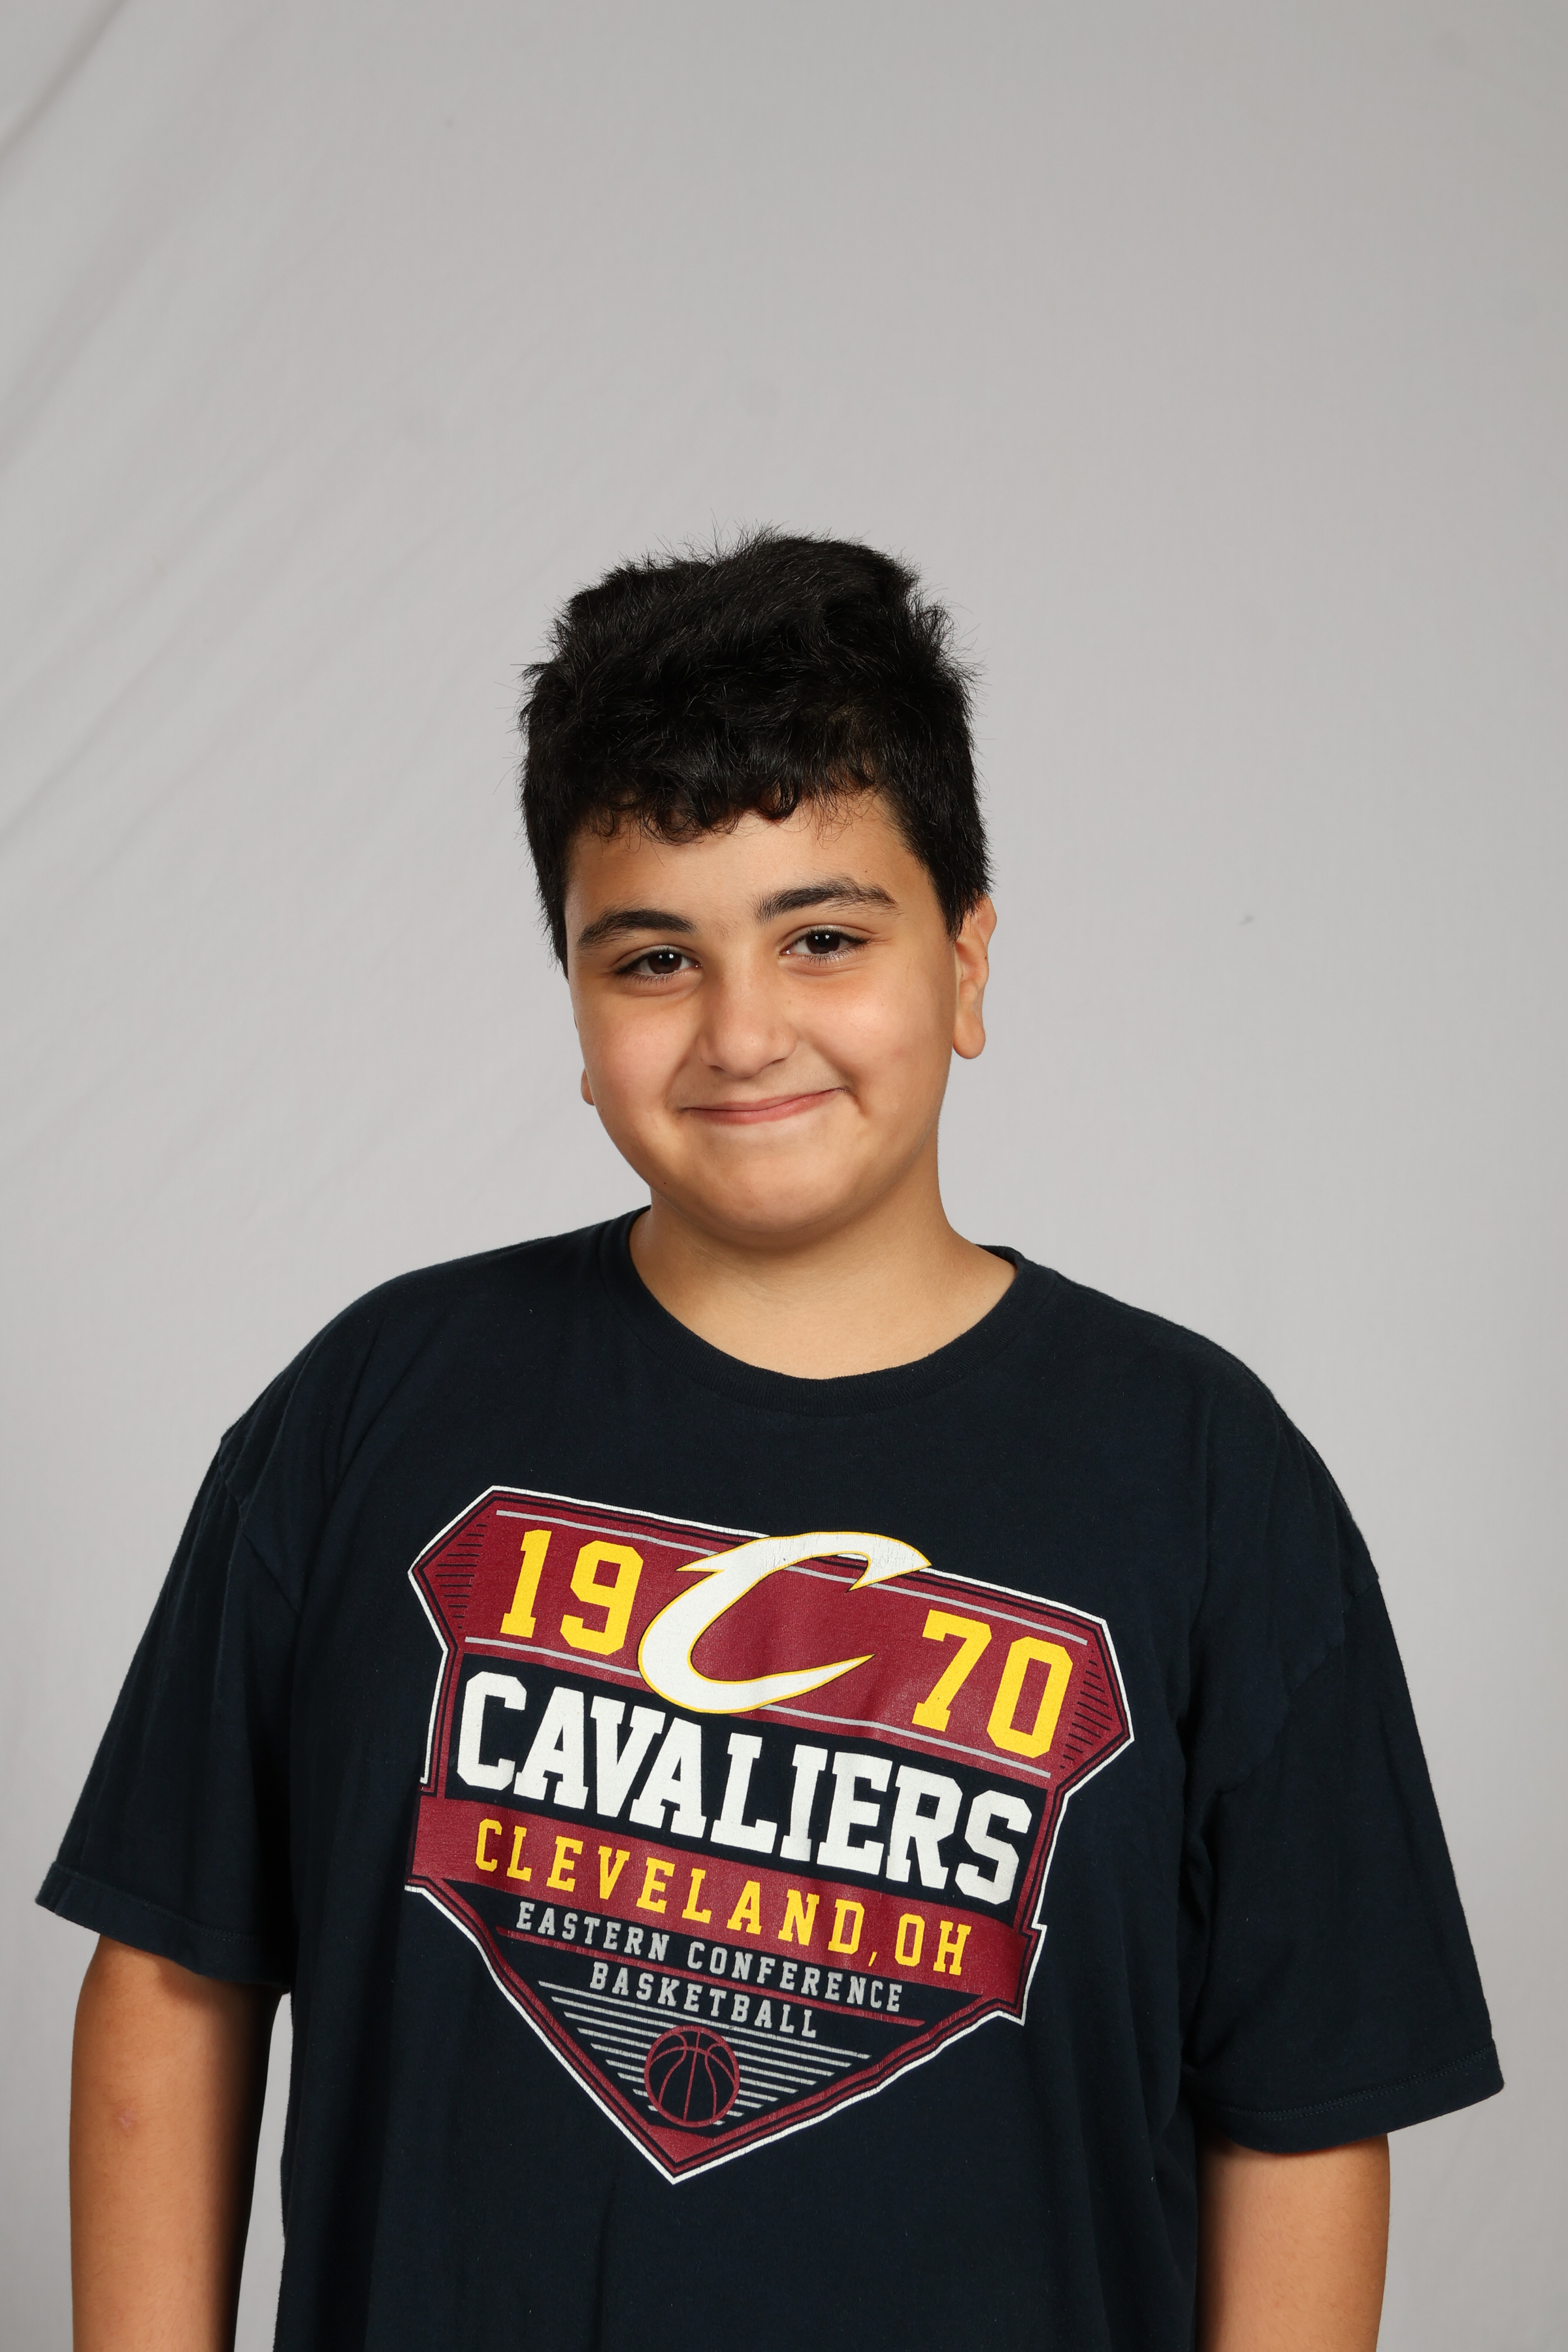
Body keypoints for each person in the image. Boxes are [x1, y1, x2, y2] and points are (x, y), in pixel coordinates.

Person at [46, 532, 1500, 2352]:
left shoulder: (1208, 1478)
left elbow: (1300, 2110)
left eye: (823, 937)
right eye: (656, 956)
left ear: (966, 963)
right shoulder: (372, 1407)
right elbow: (175, 1979)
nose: (743, 1033)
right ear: (576, 1008)